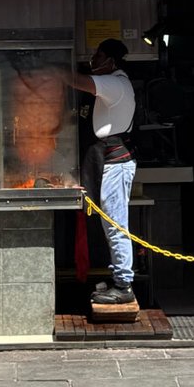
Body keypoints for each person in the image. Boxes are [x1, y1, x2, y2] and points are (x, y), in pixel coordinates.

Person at [67, 37, 138, 307]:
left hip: (116, 164)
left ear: (111, 61)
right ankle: (118, 278)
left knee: (117, 226)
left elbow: (78, 81)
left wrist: (54, 71)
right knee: (112, 227)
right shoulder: (113, 83)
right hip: (108, 162)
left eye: (98, 56)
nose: (93, 60)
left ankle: (124, 285)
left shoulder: (115, 83)